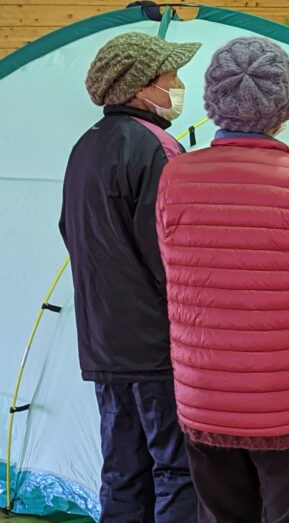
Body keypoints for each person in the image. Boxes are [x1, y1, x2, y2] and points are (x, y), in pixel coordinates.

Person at [155, 37, 289, 523]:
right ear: (284, 106)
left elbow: (175, 273)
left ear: (215, 102)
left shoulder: (175, 178)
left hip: (203, 394)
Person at [59, 31, 200, 521]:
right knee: (177, 469)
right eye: (172, 76)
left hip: (102, 341)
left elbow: (71, 234)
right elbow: (173, 256)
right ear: (142, 88)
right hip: (156, 346)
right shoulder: (157, 149)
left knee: (122, 469)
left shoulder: (85, 147)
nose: (179, 85)